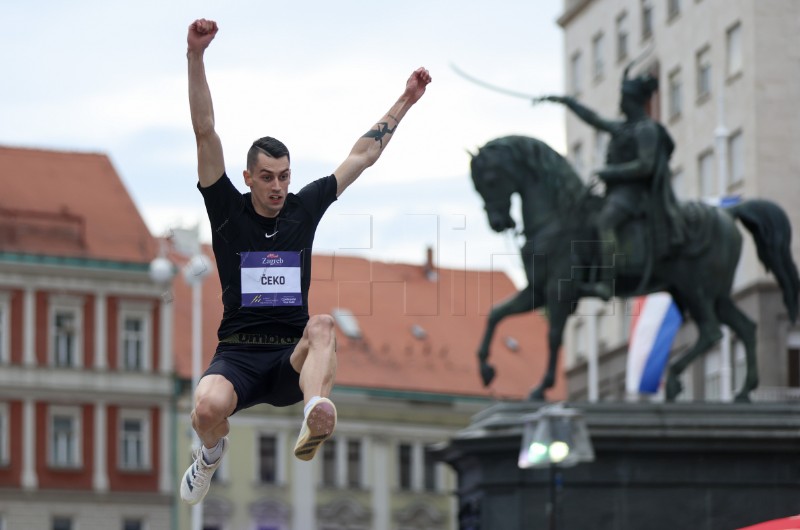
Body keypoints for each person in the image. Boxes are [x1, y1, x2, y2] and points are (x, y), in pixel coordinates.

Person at [180, 18, 432, 506]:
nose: (278, 187)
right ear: (250, 177)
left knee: (322, 324)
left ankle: (316, 410)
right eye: (269, 177)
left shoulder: (303, 207)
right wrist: (195, 56)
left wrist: (405, 101)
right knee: (206, 408)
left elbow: (361, 156)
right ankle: (209, 456)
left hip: (291, 356)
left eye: (285, 177)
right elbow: (205, 131)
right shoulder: (227, 210)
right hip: (238, 352)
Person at [540, 66, 684, 300]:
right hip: (616, 193)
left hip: (635, 195)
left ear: (634, 101)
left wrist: (610, 172)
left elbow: (645, 166)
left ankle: (607, 282)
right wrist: (567, 102)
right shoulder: (623, 127)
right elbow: (594, 118)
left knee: (605, 222)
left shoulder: (646, 129)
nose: (621, 103)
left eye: (624, 98)